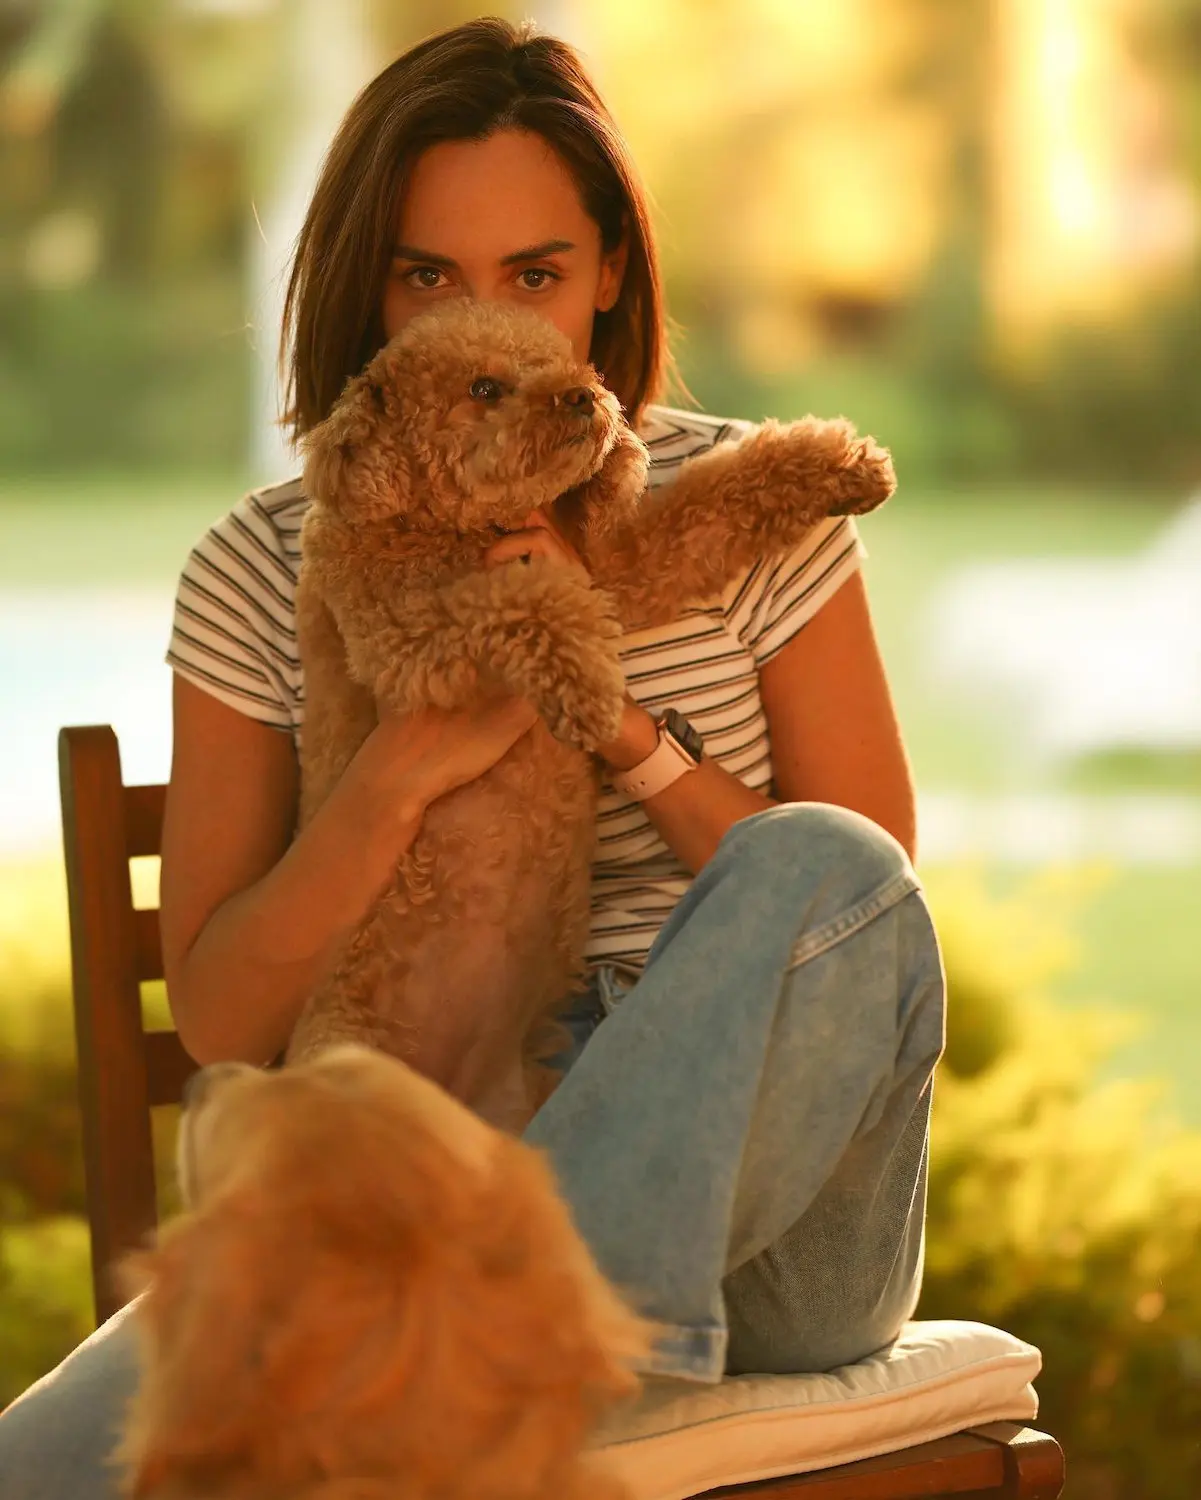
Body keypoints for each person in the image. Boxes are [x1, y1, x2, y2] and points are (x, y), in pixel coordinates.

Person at [0, 16, 945, 1497]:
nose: (474, 321)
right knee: (38, 1469)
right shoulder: (267, 566)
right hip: (429, 1149)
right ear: (368, 287)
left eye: (535, 276)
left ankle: (470, 1330)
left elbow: (864, 916)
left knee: (821, 858)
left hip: (777, 1213)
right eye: (426, 276)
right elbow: (225, 1016)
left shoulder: (754, 508)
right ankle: (494, 1348)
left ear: (611, 274)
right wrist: (399, 770)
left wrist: (622, 732)